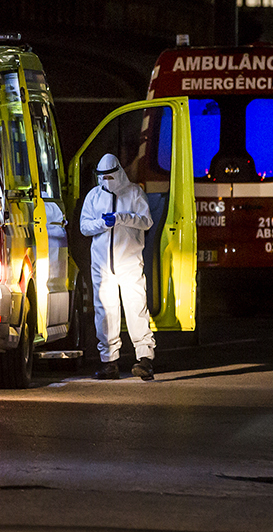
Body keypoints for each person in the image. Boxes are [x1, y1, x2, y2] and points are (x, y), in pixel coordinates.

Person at [78, 153, 155, 381]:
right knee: (105, 310)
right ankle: (108, 363)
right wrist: (103, 223)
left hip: (129, 261)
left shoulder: (134, 193)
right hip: (102, 264)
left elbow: (146, 221)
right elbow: (84, 226)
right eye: (102, 177)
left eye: (110, 176)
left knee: (136, 307)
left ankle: (145, 359)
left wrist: (122, 218)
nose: (106, 181)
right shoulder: (94, 196)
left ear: (118, 173)